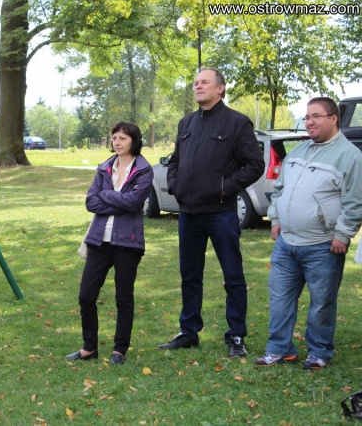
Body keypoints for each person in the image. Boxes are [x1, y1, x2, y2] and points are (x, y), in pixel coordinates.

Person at [157, 67, 264, 357]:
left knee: (233, 276)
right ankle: (189, 332)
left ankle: (236, 336)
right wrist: (175, 185)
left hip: (220, 213)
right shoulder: (186, 122)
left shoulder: (237, 122)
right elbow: (175, 161)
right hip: (189, 214)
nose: (198, 87)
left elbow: (255, 164)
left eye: (204, 82)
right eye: (195, 83)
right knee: (189, 276)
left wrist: (224, 188)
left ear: (220, 88)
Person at [254, 97, 362, 369]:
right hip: (286, 243)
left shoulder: (350, 156)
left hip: (323, 245)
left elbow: (355, 200)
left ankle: (319, 352)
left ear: (333, 118)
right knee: (279, 299)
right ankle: (279, 349)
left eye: (316, 116)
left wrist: (343, 234)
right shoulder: (299, 151)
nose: (309, 122)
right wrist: (276, 218)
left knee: (322, 302)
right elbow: (280, 188)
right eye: (307, 117)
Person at [65, 122, 153, 366]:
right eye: (114, 138)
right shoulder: (104, 167)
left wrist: (106, 195)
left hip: (128, 242)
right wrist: (118, 199)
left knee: (123, 297)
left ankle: (119, 350)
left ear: (134, 140)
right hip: (99, 239)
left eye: (122, 138)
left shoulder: (144, 170)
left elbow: (134, 202)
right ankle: (89, 348)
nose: (117, 142)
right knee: (86, 295)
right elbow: (91, 202)